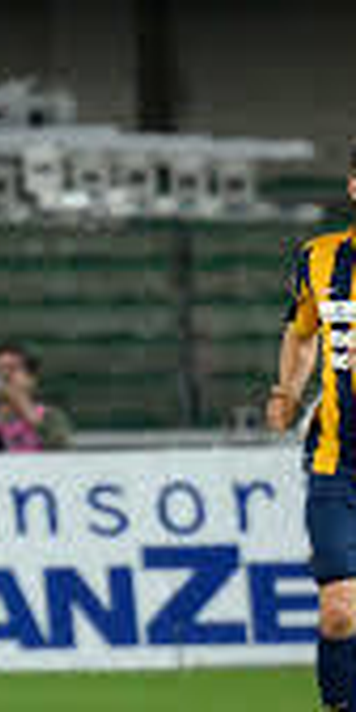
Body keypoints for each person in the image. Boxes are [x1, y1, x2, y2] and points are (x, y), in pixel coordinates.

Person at [266, 142, 356, 712]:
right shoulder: (320, 258)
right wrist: (287, 391)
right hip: (336, 461)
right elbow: (302, 334)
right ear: (354, 186)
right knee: (339, 612)